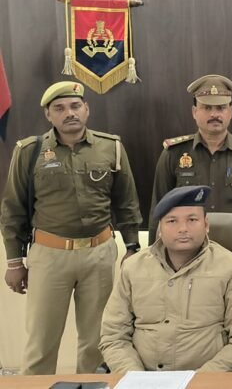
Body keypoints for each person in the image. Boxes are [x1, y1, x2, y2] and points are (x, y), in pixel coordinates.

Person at [0, 81, 142, 374]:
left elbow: (127, 203)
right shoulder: (29, 151)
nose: (69, 113)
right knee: (42, 341)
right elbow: (12, 210)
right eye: (60, 108)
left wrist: (132, 247)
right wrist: (14, 262)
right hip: (50, 256)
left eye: (75, 106)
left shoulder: (111, 147)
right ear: (48, 115)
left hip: (99, 254)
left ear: (86, 109)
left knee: (97, 341)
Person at [100, 186, 232, 372]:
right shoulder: (133, 268)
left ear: (206, 225)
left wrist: (202, 379)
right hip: (143, 378)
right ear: (160, 229)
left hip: (208, 379)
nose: (183, 229)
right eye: (172, 221)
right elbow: (114, 336)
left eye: (192, 220)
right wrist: (136, 378)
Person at [150, 74, 232, 295]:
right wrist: (154, 261)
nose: (214, 114)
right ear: (194, 112)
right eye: (207, 108)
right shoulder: (174, 154)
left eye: (221, 108)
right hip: (186, 258)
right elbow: (158, 211)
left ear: (230, 112)